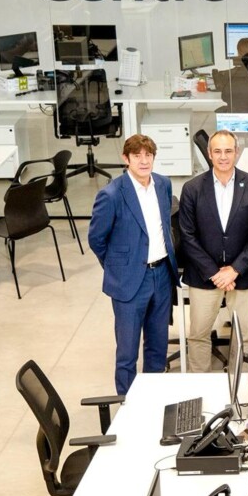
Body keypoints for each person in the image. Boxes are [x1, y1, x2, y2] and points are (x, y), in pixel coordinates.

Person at [88, 134, 178, 395]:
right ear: (125, 159)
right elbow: (96, 239)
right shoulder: (112, 194)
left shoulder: (163, 184)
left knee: (157, 347)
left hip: (161, 276)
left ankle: (154, 398)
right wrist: (119, 268)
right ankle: (127, 406)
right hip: (129, 282)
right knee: (127, 353)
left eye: (148, 155)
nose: (143, 160)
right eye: (137, 156)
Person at [177, 129, 248, 373]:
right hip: (203, 276)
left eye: (228, 151)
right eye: (217, 151)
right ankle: (201, 391)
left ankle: (241, 391)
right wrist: (214, 272)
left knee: (246, 336)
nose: (223, 156)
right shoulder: (192, 188)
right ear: (209, 154)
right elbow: (187, 235)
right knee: (198, 335)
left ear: (236, 152)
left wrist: (235, 269)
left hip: (244, 274)